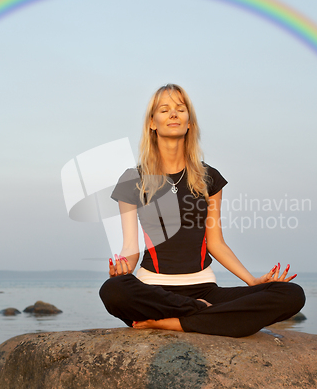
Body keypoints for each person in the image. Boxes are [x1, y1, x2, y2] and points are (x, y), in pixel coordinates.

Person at [99, 84, 305, 338]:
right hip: (153, 290)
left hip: (205, 290)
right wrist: (120, 271)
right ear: (152, 122)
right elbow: (130, 248)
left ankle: (172, 322)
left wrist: (253, 282)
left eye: (180, 109)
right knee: (113, 290)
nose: (173, 114)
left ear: (189, 123)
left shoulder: (209, 178)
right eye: (164, 110)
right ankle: (200, 314)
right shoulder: (133, 180)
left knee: (291, 294)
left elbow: (215, 242)